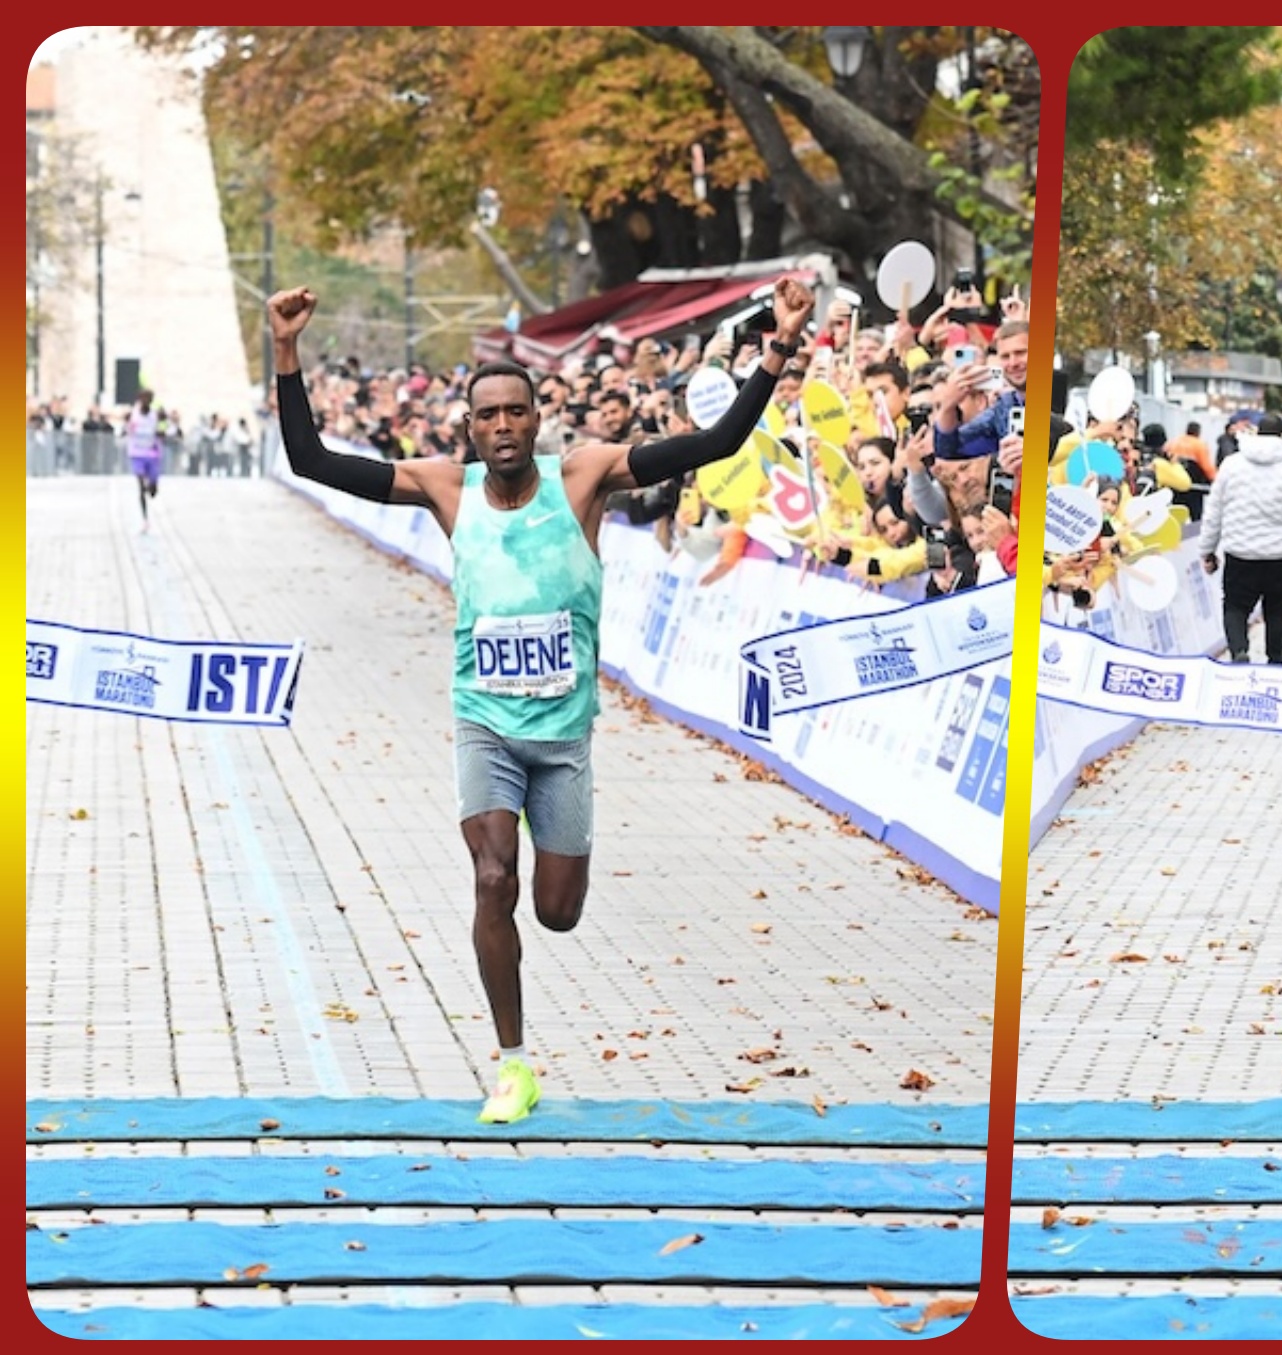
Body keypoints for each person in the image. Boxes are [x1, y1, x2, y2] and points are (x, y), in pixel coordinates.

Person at [265, 276, 816, 1123]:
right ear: (470, 430)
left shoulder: (584, 479)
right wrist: (286, 350)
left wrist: (776, 347)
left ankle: (544, 911)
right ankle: (512, 1065)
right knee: (493, 879)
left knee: (556, 913)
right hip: (484, 723)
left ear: (536, 420)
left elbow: (714, 441)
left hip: (563, 739)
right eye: (486, 417)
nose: (502, 427)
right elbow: (311, 460)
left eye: (515, 413)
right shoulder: (444, 490)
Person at [1199, 414, 1282, 664]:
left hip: (1240, 554)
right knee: (1277, 614)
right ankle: (1275, 665)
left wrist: (1207, 550)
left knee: (1234, 607)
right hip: (1279, 558)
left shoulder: (1232, 465)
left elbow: (1214, 512)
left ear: (1256, 433)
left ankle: (1239, 651)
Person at [125, 388, 166, 528]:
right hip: (137, 453)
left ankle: (151, 486)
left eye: (149, 399)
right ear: (140, 399)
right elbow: (127, 426)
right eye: (144, 399)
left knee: (153, 491)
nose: (146, 402)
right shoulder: (133, 414)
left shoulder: (156, 414)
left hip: (152, 454)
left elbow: (163, 426)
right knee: (140, 485)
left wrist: (161, 431)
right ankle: (145, 518)